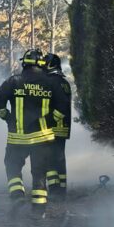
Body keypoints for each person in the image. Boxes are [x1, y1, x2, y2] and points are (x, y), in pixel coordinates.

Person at [0, 49, 63, 217]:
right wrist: (50, 122)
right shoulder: (52, 83)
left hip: (18, 137)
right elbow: (61, 108)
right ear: (42, 64)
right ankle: (38, 212)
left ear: (24, 63)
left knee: (12, 166)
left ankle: (17, 196)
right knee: (39, 173)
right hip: (42, 138)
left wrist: (7, 118)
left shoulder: (13, 81)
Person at [41, 53, 72, 202]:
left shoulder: (52, 82)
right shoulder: (63, 82)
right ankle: (61, 189)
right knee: (59, 160)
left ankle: (54, 190)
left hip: (52, 128)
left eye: (44, 64)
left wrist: (50, 121)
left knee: (49, 159)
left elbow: (61, 106)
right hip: (62, 128)